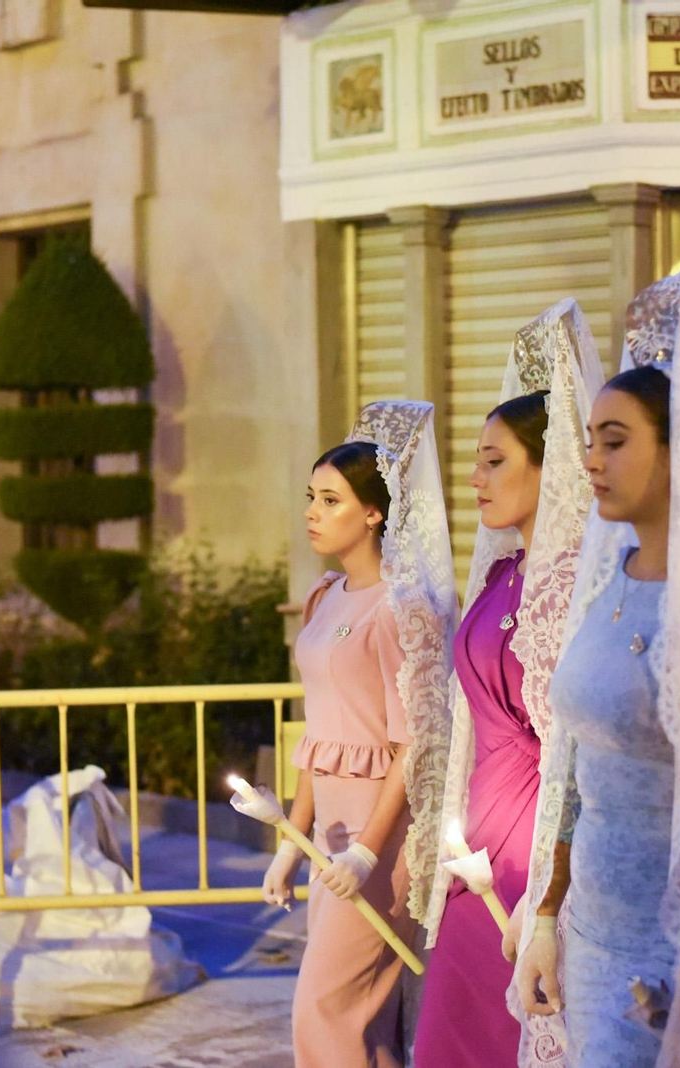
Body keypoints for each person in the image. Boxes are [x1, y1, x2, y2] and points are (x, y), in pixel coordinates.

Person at [510, 268, 680, 1067]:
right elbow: (574, 767)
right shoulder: (606, 580)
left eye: (616, 441)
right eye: (590, 440)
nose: (592, 460)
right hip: (591, 932)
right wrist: (547, 915)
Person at [414, 300, 603, 1068]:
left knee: (508, 1029)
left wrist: (549, 890)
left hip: (531, 838)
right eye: (476, 459)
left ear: (549, 463)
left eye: (495, 459)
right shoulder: (502, 572)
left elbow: (569, 740)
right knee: (451, 1030)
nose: (475, 477)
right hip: (478, 832)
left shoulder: (567, 584)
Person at [260, 403, 455, 1068]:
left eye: (331, 500)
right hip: (328, 839)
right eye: (310, 497)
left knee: (323, 1011)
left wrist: (369, 852)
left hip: (380, 838)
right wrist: (293, 840)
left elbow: (414, 743)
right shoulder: (323, 596)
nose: (313, 512)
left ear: (374, 512)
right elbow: (319, 735)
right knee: (357, 1022)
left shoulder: (403, 607)